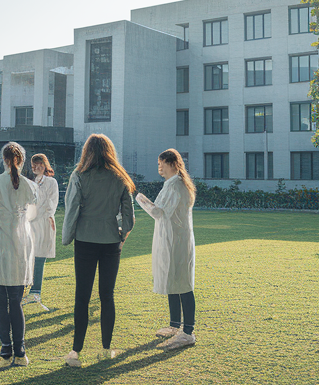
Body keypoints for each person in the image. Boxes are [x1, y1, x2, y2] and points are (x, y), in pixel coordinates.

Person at [60, 133, 135, 367]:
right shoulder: (120, 177)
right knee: (107, 295)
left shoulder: (79, 175)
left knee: (82, 296)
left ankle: (75, 351)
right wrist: (122, 235)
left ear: (87, 151)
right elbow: (129, 216)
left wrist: (67, 237)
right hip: (111, 240)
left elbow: (71, 209)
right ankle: (106, 348)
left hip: (85, 239)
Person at [0, 142, 38, 366]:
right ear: (22, 161)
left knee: (1, 301)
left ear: (3, 160)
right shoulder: (30, 185)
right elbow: (31, 216)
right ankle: (20, 351)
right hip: (21, 245)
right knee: (17, 301)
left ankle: (6, 351)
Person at [135, 148, 198, 351]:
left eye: (161, 162)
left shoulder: (176, 186)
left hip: (177, 241)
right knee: (174, 280)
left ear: (172, 163)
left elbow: (158, 212)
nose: (159, 167)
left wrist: (138, 198)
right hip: (173, 239)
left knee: (183, 283)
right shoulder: (172, 184)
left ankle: (187, 332)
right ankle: (174, 325)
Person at [23, 153, 59, 308]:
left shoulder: (51, 182)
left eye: (39, 164)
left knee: (39, 257)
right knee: (28, 257)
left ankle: (35, 292)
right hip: (30, 222)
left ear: (45, 165)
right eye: (34, 165)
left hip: (44, 222)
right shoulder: (29, 182)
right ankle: (27, 291)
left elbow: (51, 202)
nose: (36, 167)